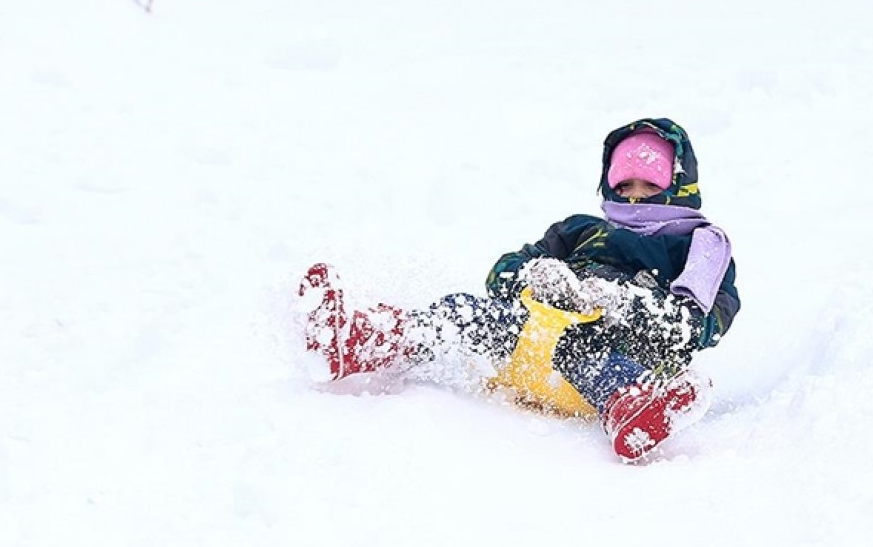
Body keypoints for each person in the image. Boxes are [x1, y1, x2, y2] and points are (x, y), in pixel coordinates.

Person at [297, 118, 741, 461]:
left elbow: (694, 328)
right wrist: (535, 274)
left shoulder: (699, 246)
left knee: (593, 355)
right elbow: (502, 272)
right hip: (527, 344)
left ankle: (633, 411)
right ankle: (367, 340)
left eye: (650, 185)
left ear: (679, 186)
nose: (634, 197)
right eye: (624, 185)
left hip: (602, 362)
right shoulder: (580, 230)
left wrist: (621, 304)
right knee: (461, 311)